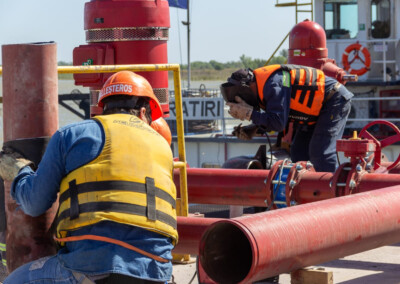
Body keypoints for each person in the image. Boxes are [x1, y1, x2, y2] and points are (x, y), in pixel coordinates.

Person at [0, 71, 177, 283]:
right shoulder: (163, 148)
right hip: (156, 272)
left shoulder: (73, 135)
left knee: (14, 280)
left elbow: (34, 202)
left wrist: (19, 172)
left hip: (90, 267)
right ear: (142, 113)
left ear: (103, 108)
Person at [221, 64, 353, 172]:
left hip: (333, 101)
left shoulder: (273, 84)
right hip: (314, 112)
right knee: (298, 151)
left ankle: (327, 196)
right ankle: (304, 193)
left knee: (321, 152)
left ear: (249, 87)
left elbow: (278, 123)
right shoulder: (263, 87)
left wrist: (250, 114)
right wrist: (254, 129)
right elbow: (277, 118)